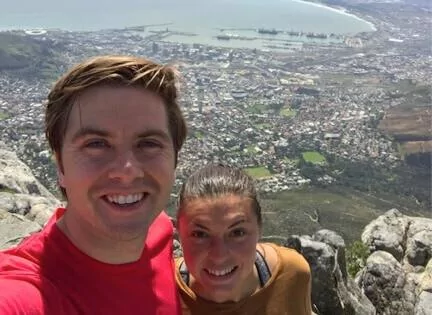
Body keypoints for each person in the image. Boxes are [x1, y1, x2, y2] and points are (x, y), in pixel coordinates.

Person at [0, 55, 187, 314]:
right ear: (60, 165)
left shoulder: (159, 232)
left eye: (149, 144)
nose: (127, 172)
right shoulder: (31, 293)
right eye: (96, 144)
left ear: (175, 160)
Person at [175, 164, 312, 315]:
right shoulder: (161, 289)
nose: (219, 255)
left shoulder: (291, 274)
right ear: (178, 234)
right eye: (200, 234)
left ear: (259, 230)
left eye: (237, 232)